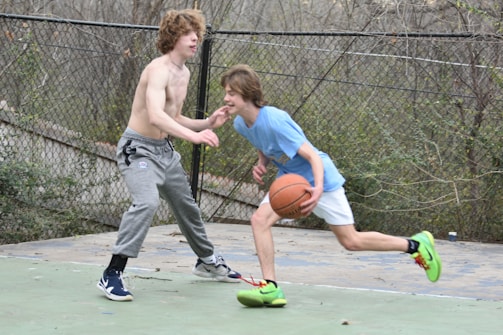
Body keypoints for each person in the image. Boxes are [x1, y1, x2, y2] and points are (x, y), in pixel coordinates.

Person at [219, 64, 442, 308]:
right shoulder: (241, 124)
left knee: (351, 241)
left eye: (231, 93)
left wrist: (317, 190)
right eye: (226, 93)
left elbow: (313, 157)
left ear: (248, 94)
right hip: (291, 183)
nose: (225, 98)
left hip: (321, 180)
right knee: (259, 220)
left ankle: (415, 245)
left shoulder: (276, 120)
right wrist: (261, 162)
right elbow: (264, 144)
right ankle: (271, 287)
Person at [97, 9, 240, 302]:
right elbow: (156, 116)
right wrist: (196, 137)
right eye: (189, 34)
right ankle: (112, 273)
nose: (195, 39)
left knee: (187, 207)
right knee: (147, 202)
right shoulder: (157, 70)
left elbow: (175, 117)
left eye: (197, 34)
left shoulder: (184, 73)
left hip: (164, 152)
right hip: (138, 150)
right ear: (174, 36)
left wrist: (207, 123)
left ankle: (206, 261)